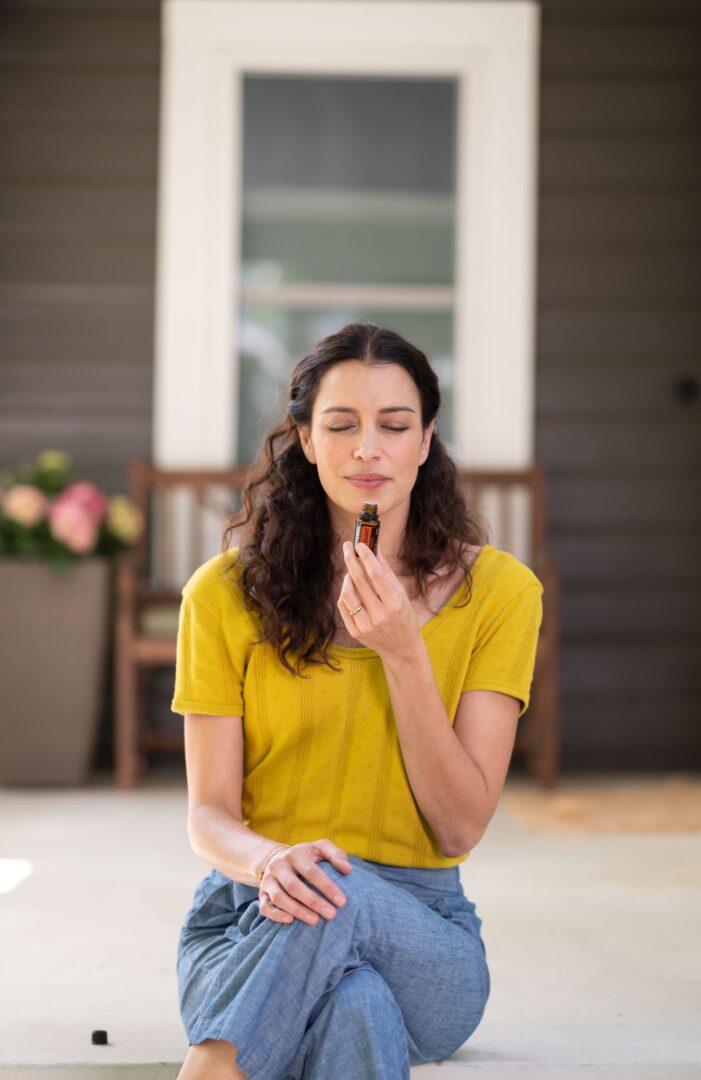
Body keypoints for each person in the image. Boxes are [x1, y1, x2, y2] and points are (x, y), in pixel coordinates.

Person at [171, 322, 544, 1080]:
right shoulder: (219, 596)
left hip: (424, 934)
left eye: (394, 425)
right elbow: (209, 817)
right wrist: (274, 860)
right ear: (306, 441)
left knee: (331, 891)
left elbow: (458, 823)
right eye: (340, 425)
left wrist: (403, 652)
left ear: (425, 442)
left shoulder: (501, 593)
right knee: (355, 1006)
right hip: (247, 919)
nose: (368, 448)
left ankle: (212, 1068)